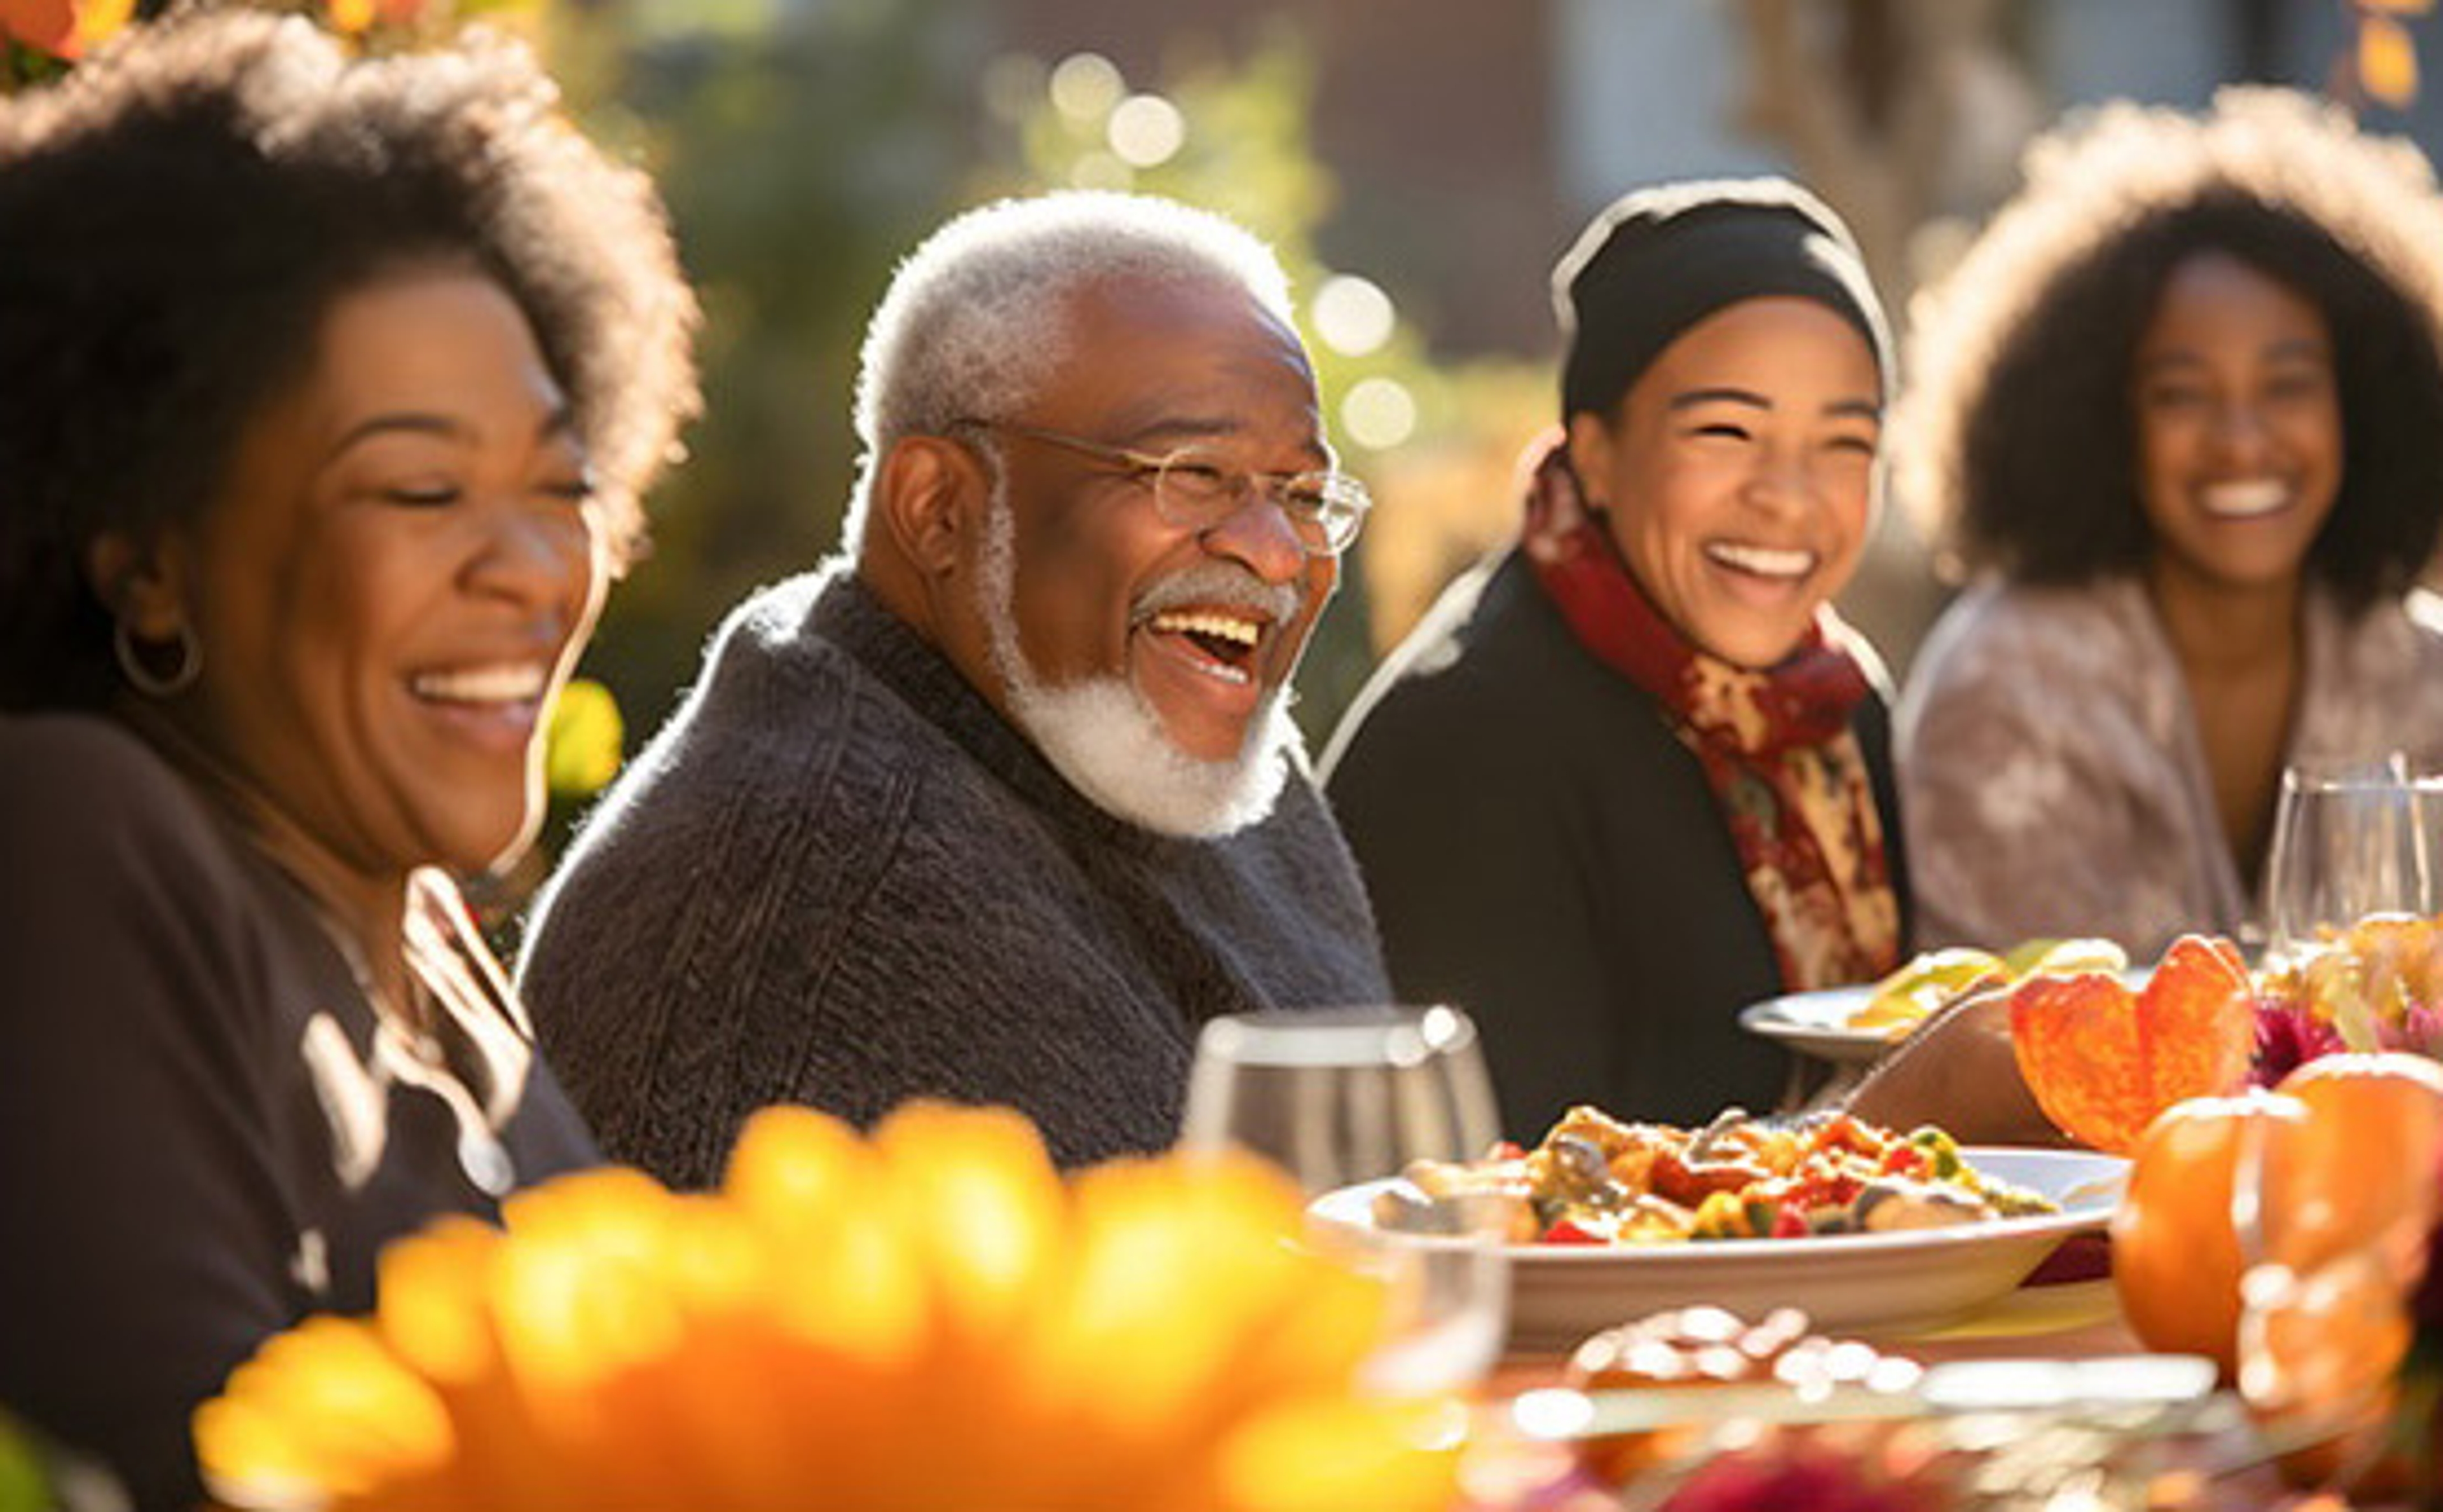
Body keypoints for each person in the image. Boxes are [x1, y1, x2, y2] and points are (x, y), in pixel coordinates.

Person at [0, 13, 699, 1506]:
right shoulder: (71, 835)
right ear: (149, 566)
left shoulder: (427, 931)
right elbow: (190, 1468)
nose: (527, 567)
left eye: (558, 486)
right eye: (421, 487)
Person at [517, 191, 1389, 1184]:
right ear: (938, 508)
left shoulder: (1207, 763)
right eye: (1196, 473)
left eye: (1305, 496)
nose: (1279, 556)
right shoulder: (812, 910)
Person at [1320, 180, 1909, 1137]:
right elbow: (1506, 1194)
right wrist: (1917, 1104)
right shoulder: (1470, 735)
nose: (1789, 498)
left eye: (1844, 443)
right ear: (1594, 452)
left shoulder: (1832, 704)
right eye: (1728, 431)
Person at [1894, 88, 2443, 961]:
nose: (2241, 439)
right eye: (2181, 394)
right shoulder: (2005, 689)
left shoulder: (2419, 671)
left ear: (2365, 403)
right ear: (2105, 419)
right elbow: (2041, 1058)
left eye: (2288, 384)